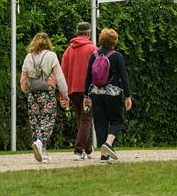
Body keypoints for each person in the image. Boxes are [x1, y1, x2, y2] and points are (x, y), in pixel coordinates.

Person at [83, 28, 132, 164]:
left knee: (100, 122)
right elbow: (124, 77)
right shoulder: (117, 56)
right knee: (117, 120)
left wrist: (86, 95)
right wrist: (128, 96)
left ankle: (104, 156)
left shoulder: (94, 56)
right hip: (113, 94)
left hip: (96, 94)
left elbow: (88, 77)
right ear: (114, 42)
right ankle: (109, 143)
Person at [20, 32, 69, 164]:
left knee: (36, 122)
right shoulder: (51, 56)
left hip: (33, 94)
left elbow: (23, 80)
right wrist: (65, 94)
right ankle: (40, 142)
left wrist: (26, 90)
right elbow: (59, 77)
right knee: (48, 120)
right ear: (48, 43)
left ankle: (43, 152)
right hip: (47, 94)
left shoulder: (28, 57)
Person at [61, 22, 97, 161]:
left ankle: (87, 149)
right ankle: (78, 150)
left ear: (77, 33)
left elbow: (63, 73)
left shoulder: (68, 51)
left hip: (72, 90)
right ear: (88, 33)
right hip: (87, 91)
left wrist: (63, 95)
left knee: (81, 121)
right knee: (86, 120)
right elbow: (97, 71)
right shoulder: (93, 49)